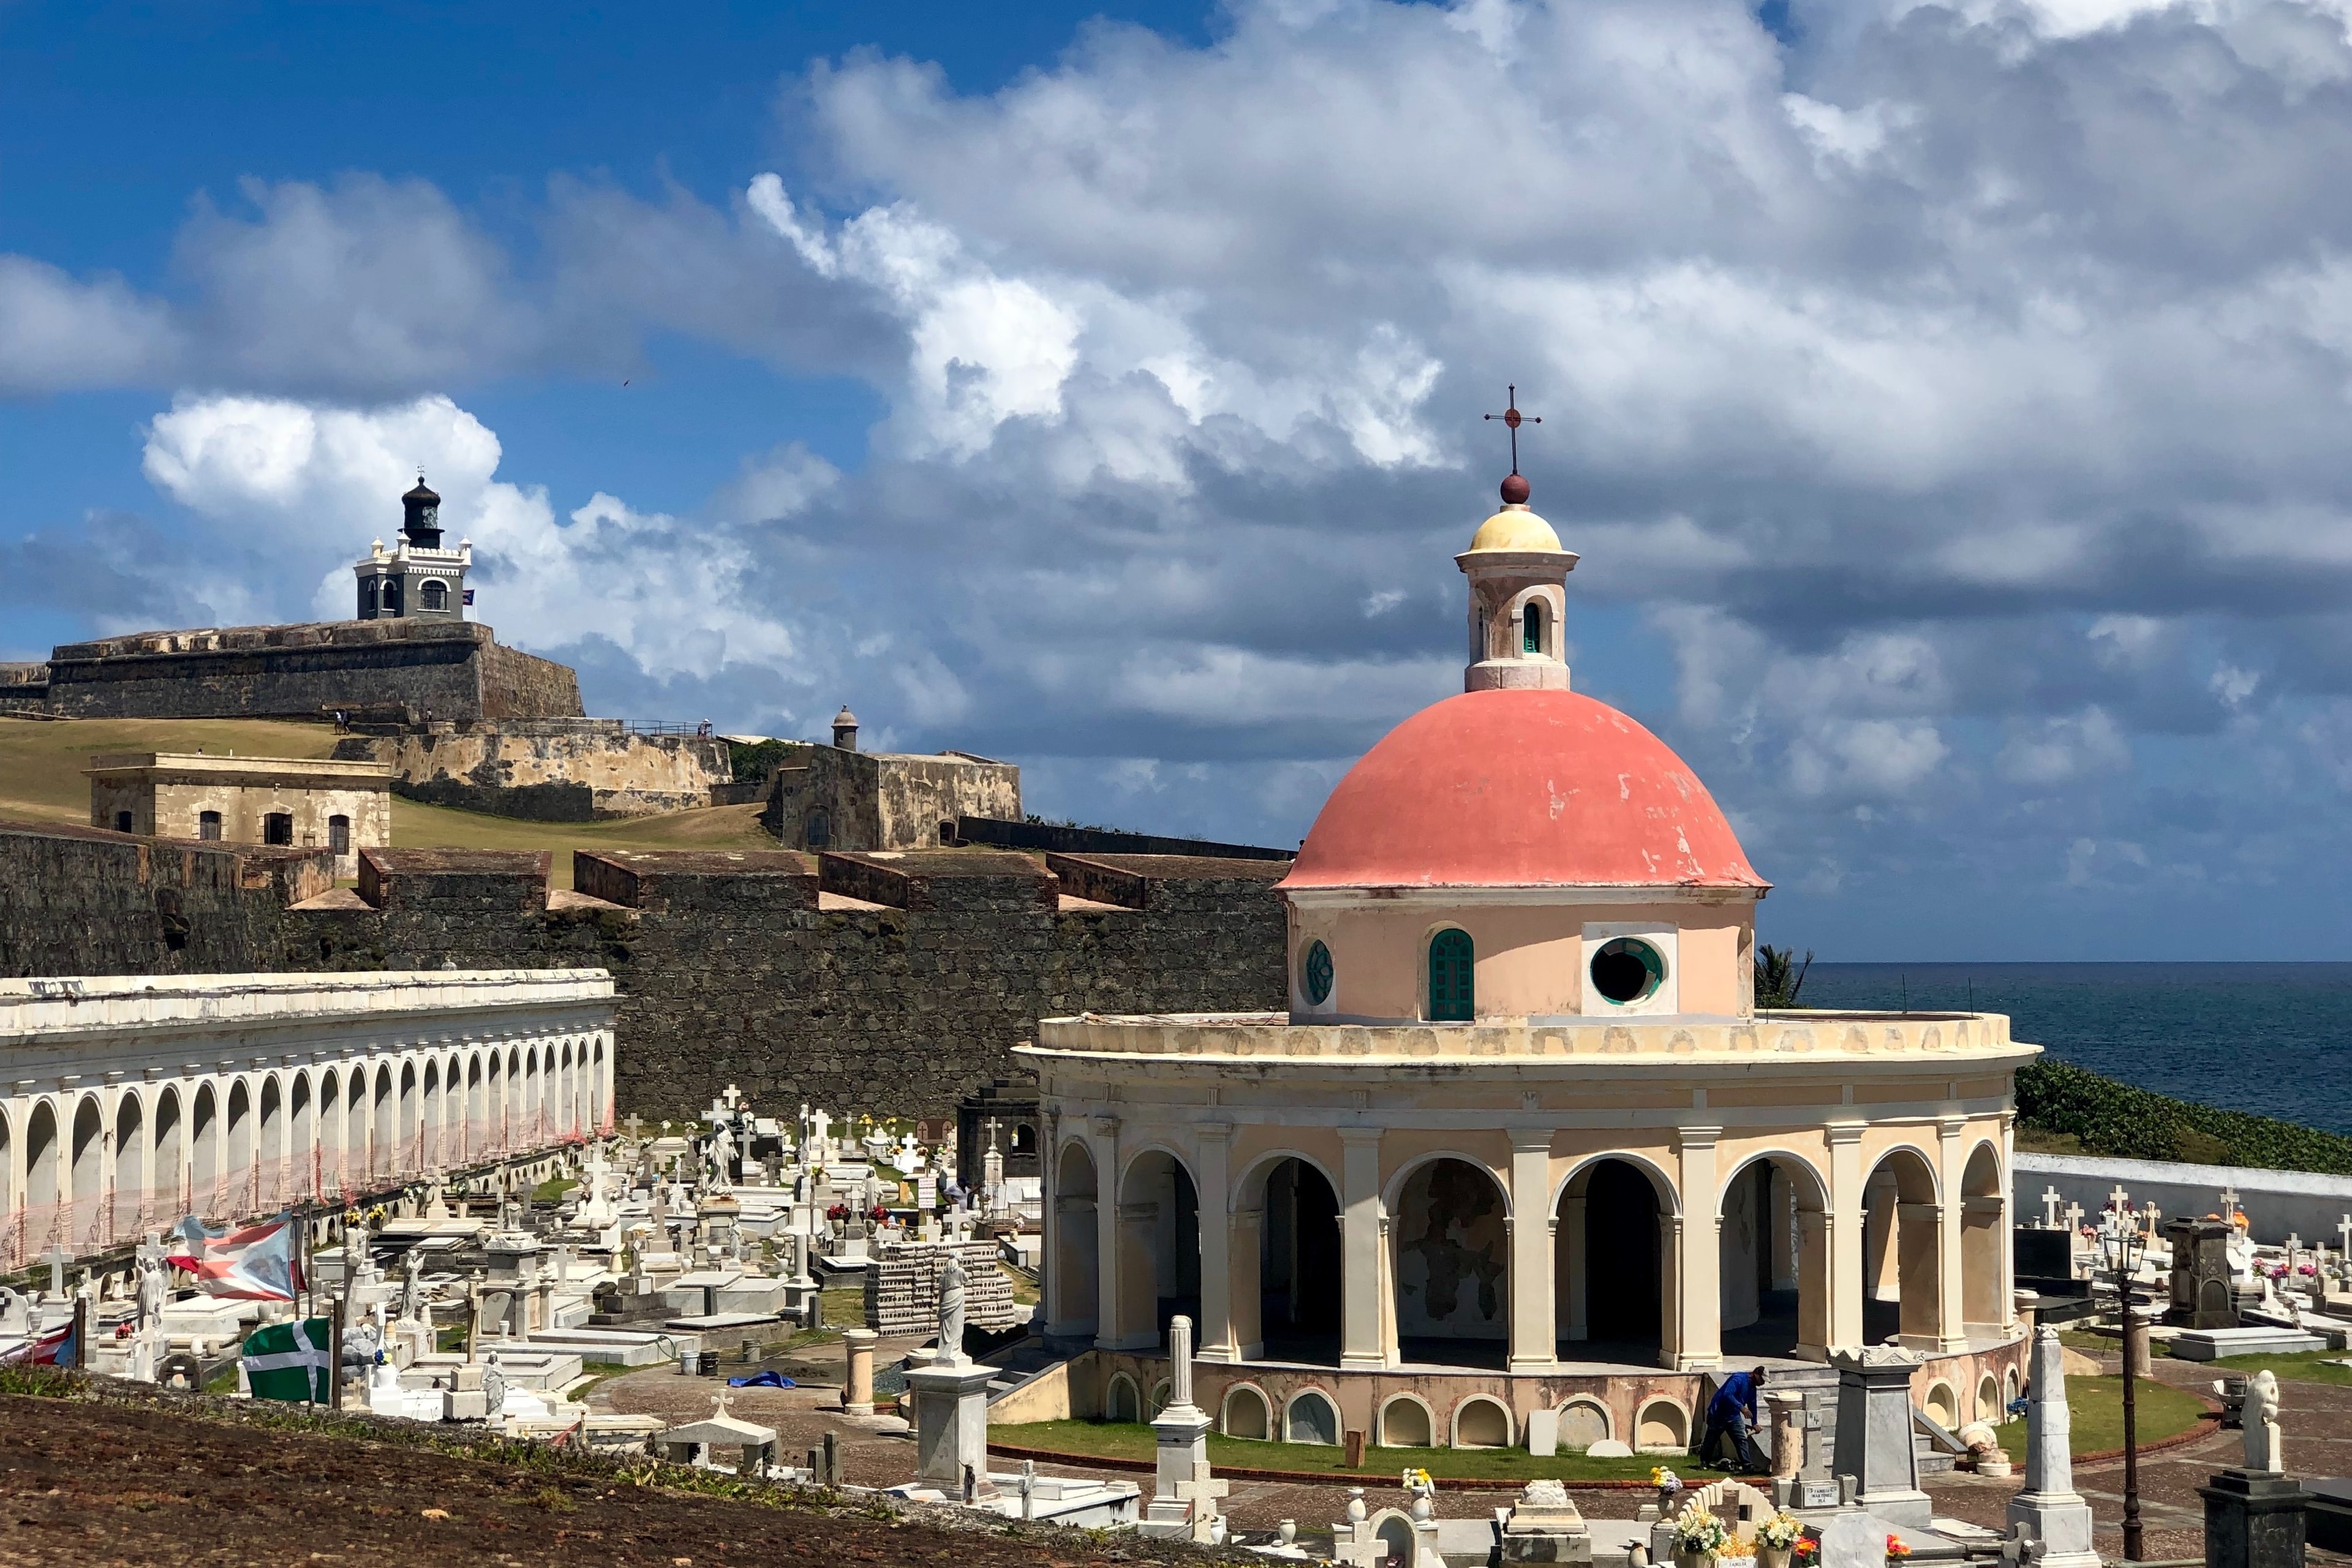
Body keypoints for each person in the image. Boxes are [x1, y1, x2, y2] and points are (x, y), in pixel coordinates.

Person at [1700, 1366, 1767, 1472]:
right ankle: (1704, 1462)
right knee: (1711, 1439)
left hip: (1733, 1416)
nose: (1763, 1383)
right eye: (1762, 1380)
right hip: (1718, 1414)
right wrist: (1742, 1408)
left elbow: (1753, 1404)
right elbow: (1727, 1394)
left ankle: (1747, 1465)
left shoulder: (1753, 1388)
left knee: (1741, 1439)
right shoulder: (1738, 1379)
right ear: (1755, 1374)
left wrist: (1754, 1423)